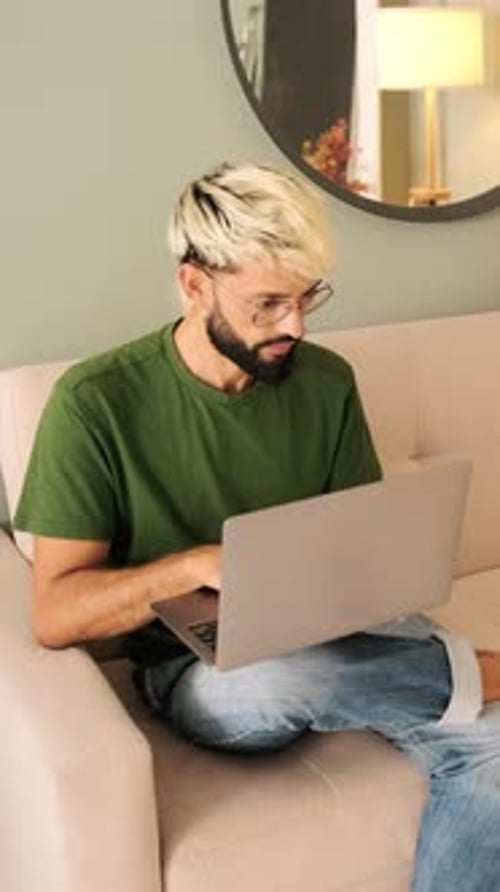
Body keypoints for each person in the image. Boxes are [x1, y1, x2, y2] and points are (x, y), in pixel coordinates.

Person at [14, 162, 500, 891]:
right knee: (274, 673)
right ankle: (480, 671)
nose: (295, 326)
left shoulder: (327, 381)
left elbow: (358, 542)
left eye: (307, 298)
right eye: (268, 303)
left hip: (349, 636)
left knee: (492, 758)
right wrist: (194, 566)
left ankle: (446, 676)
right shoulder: (94, 404)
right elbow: (56, 614)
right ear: (194, 285)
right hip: (205, 671)